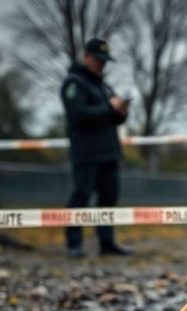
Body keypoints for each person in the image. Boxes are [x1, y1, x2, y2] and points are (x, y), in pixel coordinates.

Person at [61, 38, 132, 258]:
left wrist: (121, 111)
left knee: (108, 200)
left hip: (109, 152)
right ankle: (74, 244)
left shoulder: (102, 84)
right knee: (81, 197)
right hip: (87, 152)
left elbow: (112, 118)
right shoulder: (74, 83)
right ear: (87, 57)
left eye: (105, 61)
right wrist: (108, 108)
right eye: (98, 60)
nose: (102, 65)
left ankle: (107, 242)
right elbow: (79, 114)